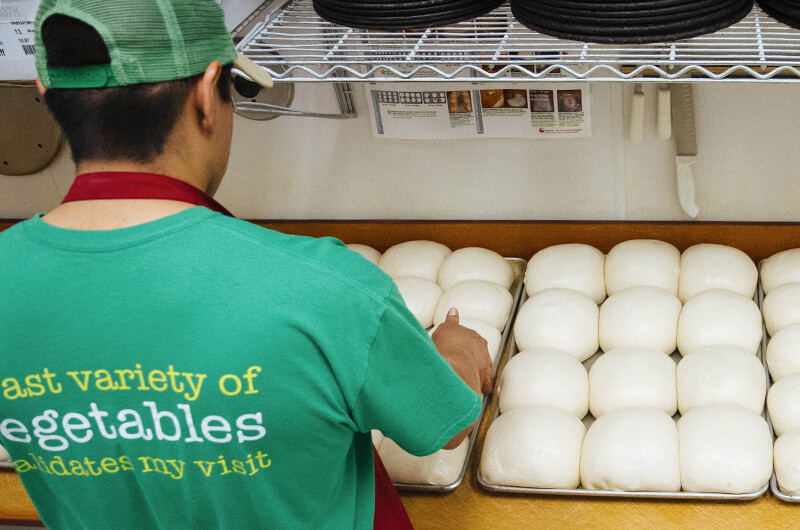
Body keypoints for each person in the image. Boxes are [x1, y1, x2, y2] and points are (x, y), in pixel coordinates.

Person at [0, 1, 493, 528]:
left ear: (46, 93)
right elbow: (442, 425)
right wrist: (455, 352)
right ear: (208, 93)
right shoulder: (322, 287)